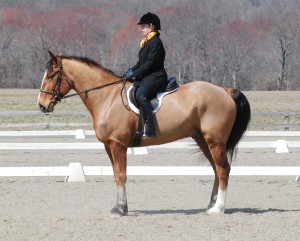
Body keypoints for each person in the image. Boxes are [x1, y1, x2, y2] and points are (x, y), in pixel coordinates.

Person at [124, 12, 168, 137]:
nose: (141, 28)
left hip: (156, 76)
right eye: (141, 26)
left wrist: (134, 74)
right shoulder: (147, 42)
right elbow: (140, 62)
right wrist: (130, 71)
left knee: (141, 95)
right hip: (148, 76)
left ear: (152, 26)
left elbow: (149, 64)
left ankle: (150, 127)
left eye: (143, 26)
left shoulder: (156, 43)